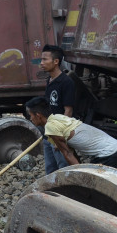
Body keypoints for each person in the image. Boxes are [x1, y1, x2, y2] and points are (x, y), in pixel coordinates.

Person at [26, 97, 117, 168]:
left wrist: (80, 175)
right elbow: (70, 148)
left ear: (38, 115)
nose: (30, 119)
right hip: (116, 149)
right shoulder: (58, 117)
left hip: (108, 154)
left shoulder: (50, 127)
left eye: (31, 115)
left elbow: (68, 154)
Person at [40, 44, 76, 175]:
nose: (41, 63)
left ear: (56, 61)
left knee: (63, 168)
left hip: (59, 133)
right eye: (41, 59)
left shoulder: (66, 82)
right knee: (50, 169)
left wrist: (60, 138)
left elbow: (68, 111)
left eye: (45, 59)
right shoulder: (49, 80)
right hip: (49, 132)